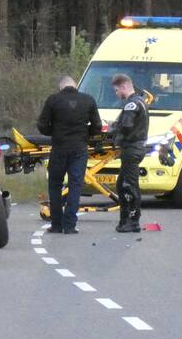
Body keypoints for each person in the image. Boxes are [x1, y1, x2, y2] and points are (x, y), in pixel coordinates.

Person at [37, 76, 103, 234]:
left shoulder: (53, 100)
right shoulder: (88, 100)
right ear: (75, 86)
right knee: (75, 185)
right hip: (79, 148)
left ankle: (57, 224)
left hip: (59, 148)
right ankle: (70, 224)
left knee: (55, 185)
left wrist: (54, 132)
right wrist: (86, 134)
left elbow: (42, 125)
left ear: (61, 87)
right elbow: (97, 126)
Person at [111, 74, 149, 233]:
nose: (116, 94)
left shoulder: (131, 105)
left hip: (132, 148)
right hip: (137, 148)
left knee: (129, 186)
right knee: (122, 184)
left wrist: (113, 130)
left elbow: (126, 127)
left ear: (124, 86)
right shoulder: (141, 101)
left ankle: (133, 221)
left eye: (116, 90)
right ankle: (125, 220)